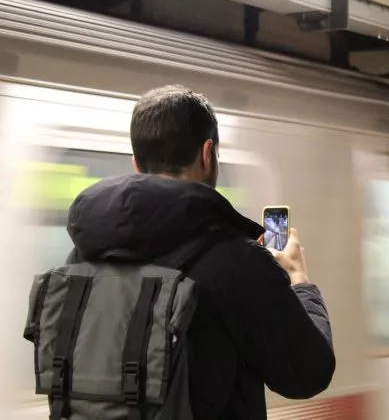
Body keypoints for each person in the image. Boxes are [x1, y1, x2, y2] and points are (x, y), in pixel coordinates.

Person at [64, 85, 335, 419]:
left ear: (136, 164)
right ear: (208, 154)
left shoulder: (83, 256)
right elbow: (308, 372)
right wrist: (299, 280)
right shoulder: (237, 262)